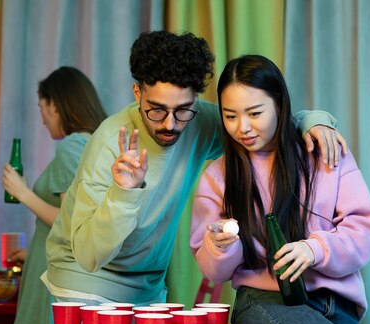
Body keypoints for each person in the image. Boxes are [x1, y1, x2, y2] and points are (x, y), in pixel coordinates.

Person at [43, 30, 347, 308]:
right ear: (137, 93)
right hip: (84, 282)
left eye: (183, 109)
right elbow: (88, 255)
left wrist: (313, 121)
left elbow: (260, 125)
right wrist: (124, 192)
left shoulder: (199, 122)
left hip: (147, 287)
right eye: (157, 109)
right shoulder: (110, 143)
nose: (170, 124)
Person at [190, 54, 370, 324]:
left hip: (337, 302)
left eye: (255, 113)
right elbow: (212, 270)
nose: (242, 127)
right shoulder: (217, 176)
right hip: (264, 300)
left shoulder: (324, 152)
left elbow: (364, 231)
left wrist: (315, 249)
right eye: (230, 116)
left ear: (279, 104)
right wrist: (220, 246)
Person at [2, 66, 107, 324]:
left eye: (42, 108)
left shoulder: (72, 146)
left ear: (56, 106)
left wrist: (22, 192)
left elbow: (70, 222)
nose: (43, 119)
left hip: (55, 274)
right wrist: (33, 250)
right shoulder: (96, 144)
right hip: (51, 263)